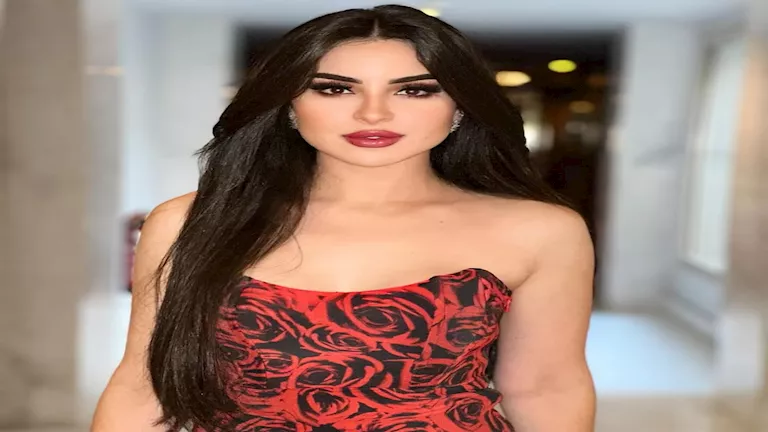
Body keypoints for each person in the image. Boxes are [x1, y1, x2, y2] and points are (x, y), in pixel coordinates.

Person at [92, 4, 595, 431]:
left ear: (460, 107)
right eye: (335, 89)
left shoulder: (539, 231)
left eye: (414, 90)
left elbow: (545, 389)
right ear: (290, 105)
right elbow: (141, 389)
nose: (373, 114)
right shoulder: (189, 222)